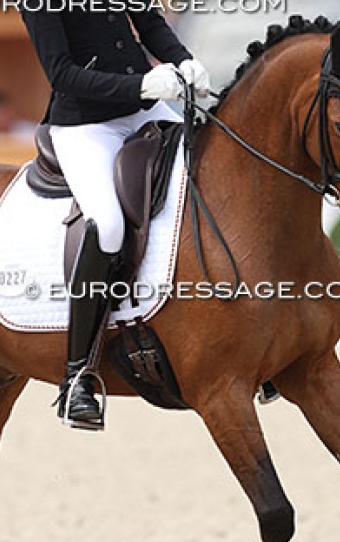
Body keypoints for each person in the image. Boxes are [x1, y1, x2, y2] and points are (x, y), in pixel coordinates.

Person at [20, 1, 210, 428]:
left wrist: (185, 62)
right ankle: (76, 378)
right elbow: (62, 74)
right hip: (86, 126)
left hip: (145, 109)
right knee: (106, 225)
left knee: (214, 174)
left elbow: (149, 25)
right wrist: (141, 85)